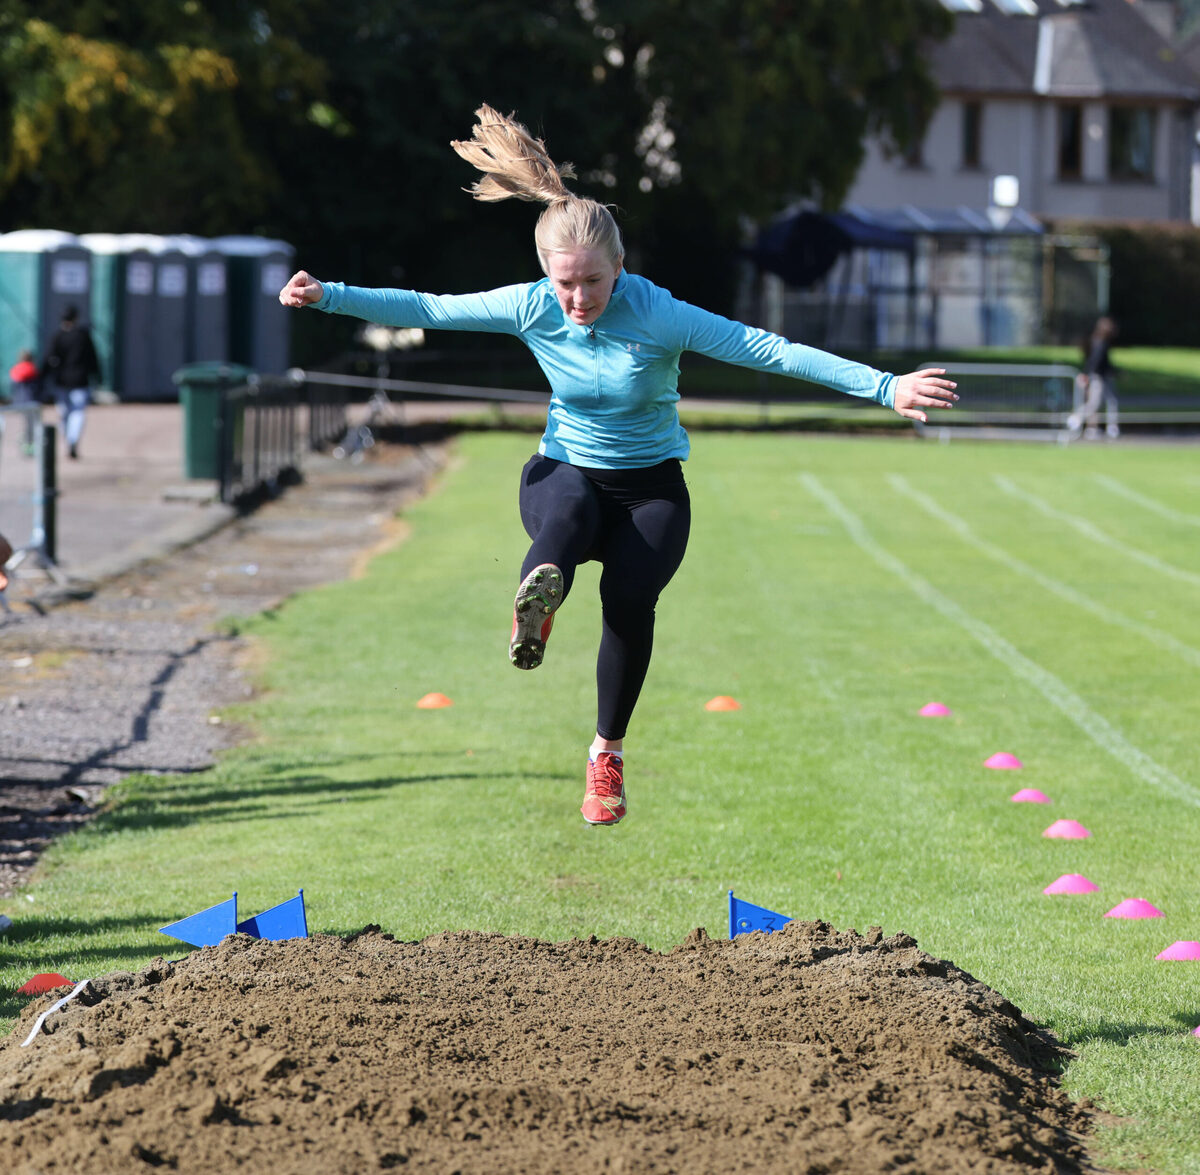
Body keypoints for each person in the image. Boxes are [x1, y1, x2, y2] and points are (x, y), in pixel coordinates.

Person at [279, 104, 957, 827]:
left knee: (631, 601)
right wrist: (332, 296)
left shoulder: (659, 313)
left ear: (620, 268)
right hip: (562, 472)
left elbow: (768, 349)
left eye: (593, 284)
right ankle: (536, 601)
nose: (578, 300)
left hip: (651, 487)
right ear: (545, 271)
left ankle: (606, 756)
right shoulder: (532, 305)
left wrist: (885, 387)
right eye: (565, 283)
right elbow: (429, 307)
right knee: (567, 512)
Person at [40, 305, 101, 460]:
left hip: (62, 381)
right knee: (78, 412)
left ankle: (68, 439)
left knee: (64, 413)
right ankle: (72, 441)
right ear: (76, 318)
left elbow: (48, 359)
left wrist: (41, 378)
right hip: (80, 381)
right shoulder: (83, 336)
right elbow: (93, 358)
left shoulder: (58, 336)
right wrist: (99, 376)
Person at [1071, 316, 1119, 440]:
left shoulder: (1100, 342)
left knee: (1111, 401)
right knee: (1094, 403)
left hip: (1103, 376)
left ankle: (1111, 427)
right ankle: (1076, 418)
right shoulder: (1099, 343)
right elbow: (1094, 361)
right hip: (1098, 377)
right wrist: (1087, 374)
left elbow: (1103, 363)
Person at [7, 348, 41, 453]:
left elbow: (12, 388)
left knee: (25, 424)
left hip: (19, 402)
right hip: (31, 402)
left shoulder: (15, 370)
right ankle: (28, 443)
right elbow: (38, 387)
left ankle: (25, 441)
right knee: (33, 424)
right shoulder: (33, 370)